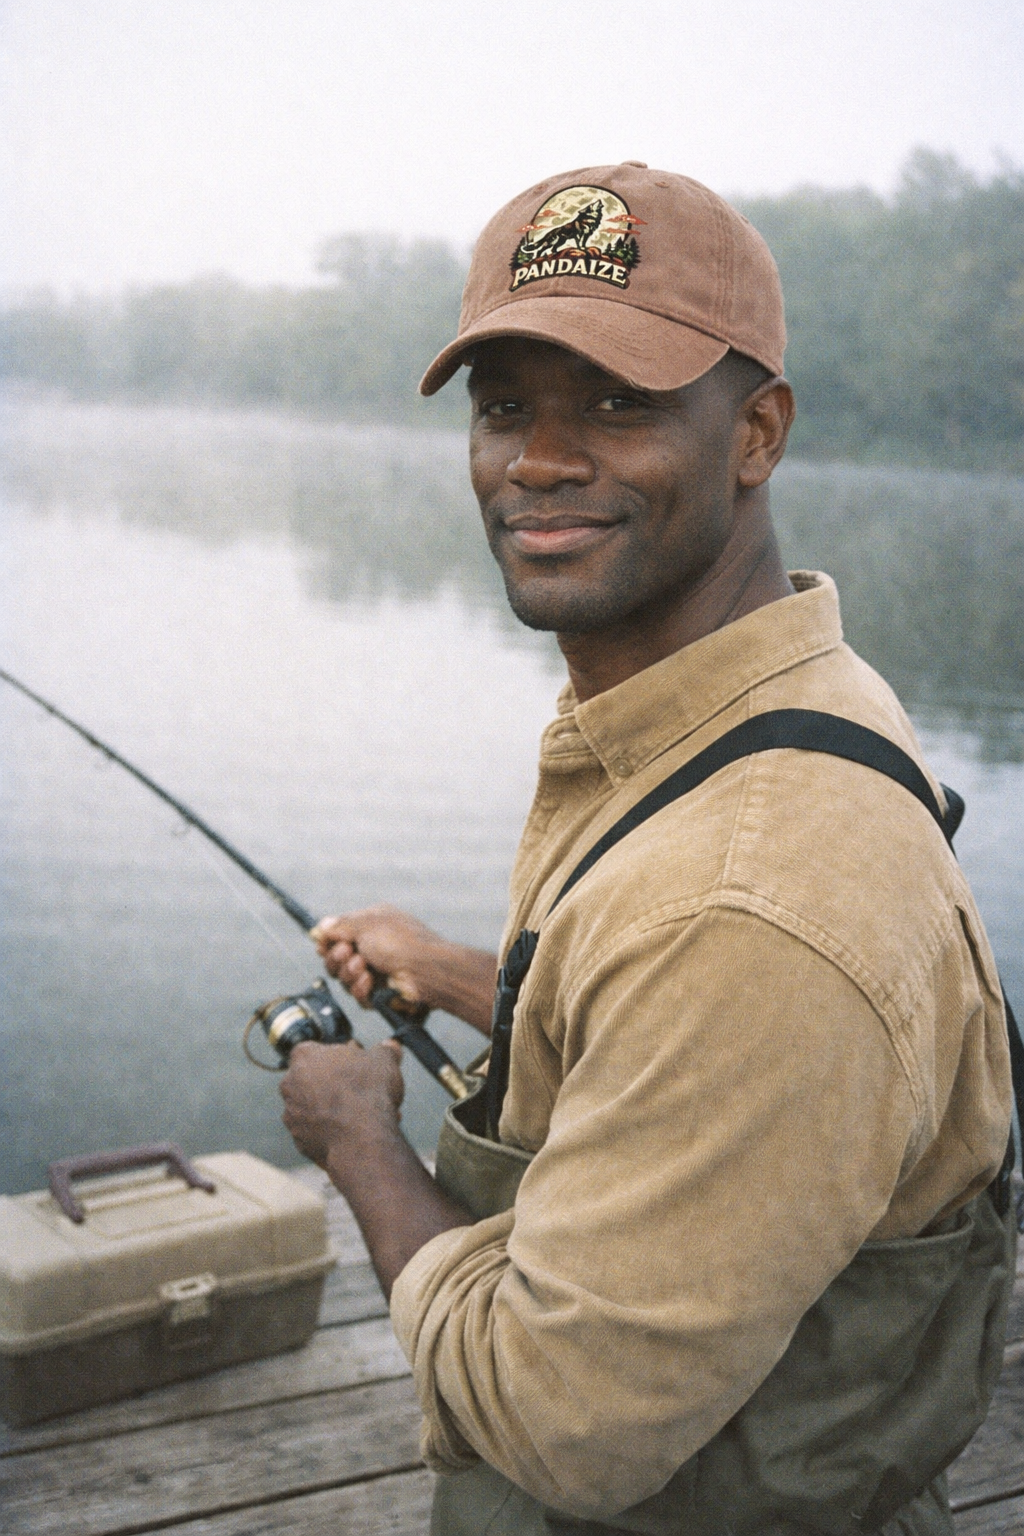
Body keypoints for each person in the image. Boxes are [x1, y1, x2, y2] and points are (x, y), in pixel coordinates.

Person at [279, 163, 1017, 1536]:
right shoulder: (777, 701)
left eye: (619, 403)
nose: (540, 459)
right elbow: (678, 1039)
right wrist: (452, 973)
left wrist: (358, 1139)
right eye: (508, 406)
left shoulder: (752, 904)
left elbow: (564, 1424)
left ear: (757, 433)